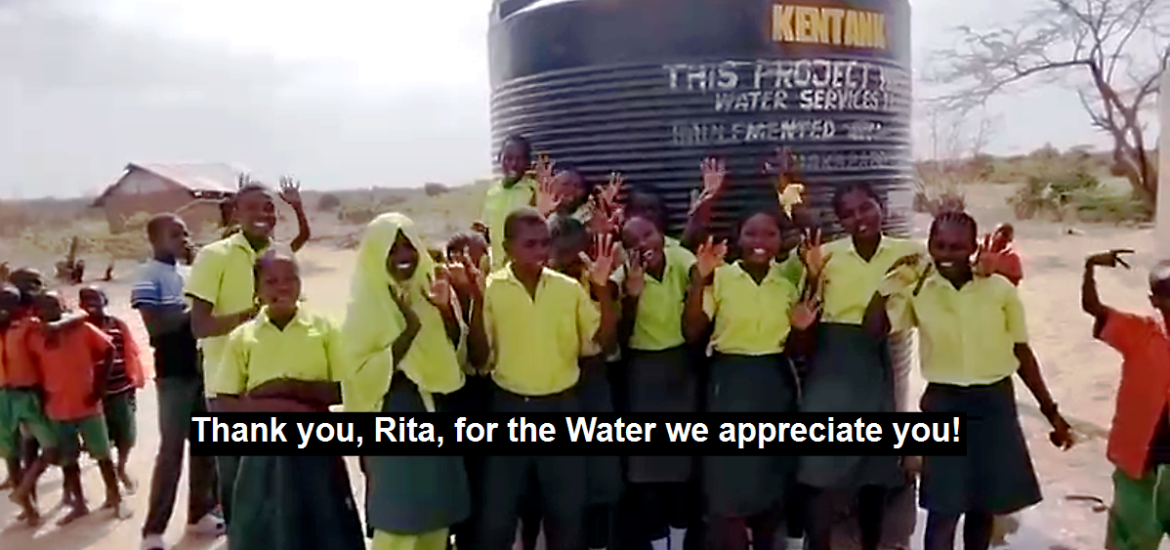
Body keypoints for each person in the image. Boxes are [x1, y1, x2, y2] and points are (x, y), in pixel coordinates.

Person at [866, 211, 1074, 550]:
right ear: (929, 245)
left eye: (957, 247)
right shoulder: (920, 290)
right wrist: (888, 286)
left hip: (994, 405)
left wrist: (1051, 412)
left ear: (973, 247)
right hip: (944, 404)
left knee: (983, 507)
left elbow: (1022, 353)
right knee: (942, 510)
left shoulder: (999, 291)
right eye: (939, 245)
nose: (946, 254)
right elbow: (874, 330)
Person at [467, 208, 619, 550]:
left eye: (545, 243)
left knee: (566, 511)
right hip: (508, 407)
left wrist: (602, 290)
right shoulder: (491, 289)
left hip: (562, 406)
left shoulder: (568, 289)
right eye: (530, 244)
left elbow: (601, 346)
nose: (541, 251)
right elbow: (479, 357)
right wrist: (475, 301)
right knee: (498, 513)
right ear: (507, 248)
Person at [682, 203, 819, 550]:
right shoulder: (722, 276)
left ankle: (765, 539)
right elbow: (692, 330)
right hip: (729, 384)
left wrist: (803, 328)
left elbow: (799, 348)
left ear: (780, 240)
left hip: (775, 382)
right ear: (738, 238)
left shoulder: (786, 282)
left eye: (770, 234)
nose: (761, 241)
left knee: (771, 475)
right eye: (752, 233)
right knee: (727, 478)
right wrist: (700, 279)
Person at [797, 182, 925, 550]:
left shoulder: (910, 254)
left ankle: (871, 542)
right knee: (818, 466)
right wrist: (813, 272)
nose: (859, 218)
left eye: (866, 208)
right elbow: (806, 302)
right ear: (839, 220)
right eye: (849, 214)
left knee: (875, 469)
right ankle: (817, 544)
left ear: (880, 205)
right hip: (831, 362)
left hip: (875, 357)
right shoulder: (826, 255)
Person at [211, 247, 363, 550]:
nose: (282, 287)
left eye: (290, 279)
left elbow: (344, 389)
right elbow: (223, 402)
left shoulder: (323, 328)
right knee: (267, 526)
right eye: (271, 281)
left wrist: (287, 387)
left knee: (324, 523)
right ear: (257, 289)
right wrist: (281, 408)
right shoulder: (243, 338)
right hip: (262, 453)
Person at [342, 212, 472, 550]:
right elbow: (359, 375)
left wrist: (445, 310)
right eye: (392, 248)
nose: (403, 255)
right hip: (390, 415)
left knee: (435, 517)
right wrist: (409, 327)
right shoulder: (365, 305)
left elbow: (456, 356)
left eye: (409, 246)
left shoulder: (430, 288)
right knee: (399, 521)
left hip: (435, 409)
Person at [186, 182, 276, 525]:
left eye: (269, 208)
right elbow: (200, 325)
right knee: (236, 478)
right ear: (236, 213)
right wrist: (250, 316)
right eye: (254, 207)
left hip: (272, 383)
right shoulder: (214, 256)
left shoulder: (277, 256)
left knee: (270, 478)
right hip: (227, 388)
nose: (263, 215)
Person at [133, 214, 223, 550]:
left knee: (207, 448)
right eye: (175, 233)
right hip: (174, 373)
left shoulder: (189, 273)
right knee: (171, 452)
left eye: (185, 232)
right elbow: (155, 325)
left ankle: (199, 515)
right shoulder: (147, 274)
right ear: (154, 239)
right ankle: (153, 531)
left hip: (203, 369)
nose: (183, 238)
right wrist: (196, 315)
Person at [619, 212, 699, 550]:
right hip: (642, 373)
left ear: (661, 233)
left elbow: (701, 282)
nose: (643, 245)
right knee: (646, 469)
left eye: (648, 235)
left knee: (680, 467)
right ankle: (658, 543)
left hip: (680, 369)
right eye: (633, 242)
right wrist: (632, 296)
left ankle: (678, 543)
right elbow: (619, 338)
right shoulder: (623, 273)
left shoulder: (682, 257)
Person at [1081, 249, 1170, 550]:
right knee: (1129, 542)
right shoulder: (1139, 332)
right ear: (1154, 300)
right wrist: (1090, 267)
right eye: (1168, 295)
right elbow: (1092, 307)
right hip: (1138, 466)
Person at [16, 291, 125, 525]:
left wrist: (99, 388)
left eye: (55, 304)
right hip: (57, 408)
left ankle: (115, 498)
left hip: (88, 404)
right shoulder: (35, 337)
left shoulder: (82, 329)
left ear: (63, 306)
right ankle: (79, 504)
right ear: (37, 310)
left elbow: (109, 350)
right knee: (69, 461)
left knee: (103, 456)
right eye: (45, 306)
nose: (50, 310)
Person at [548, 215, 623, 550]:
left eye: (572, 256)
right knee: (557, 484)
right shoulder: (534, 285)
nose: (563, 264)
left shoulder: (595, 281)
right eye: (555, 256)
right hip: (548, 386)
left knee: (599, 480)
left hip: (591, 382)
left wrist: (602, 289)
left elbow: (606, 343)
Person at [79, 285, 147, 494]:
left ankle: (122, 467)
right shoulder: (78, 329)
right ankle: (111, 485)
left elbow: (131, 352)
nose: (91, 303)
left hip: (121, 389)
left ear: (105, 301)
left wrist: (134, 382)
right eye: (86, 299)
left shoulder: (117, 325)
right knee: (101, 441)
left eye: (96, 298)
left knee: (126, 436)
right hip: (93, 395)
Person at [481, 135, 538, 271]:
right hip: (498, 271)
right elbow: (487, 232)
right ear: (499, 159)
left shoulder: (535, 190)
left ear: (528, 162)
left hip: (525, 270)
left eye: (519, 159)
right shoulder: (492, 193)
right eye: (508, 158)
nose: (513, 164)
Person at [220, 175, 312, 252]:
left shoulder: (275, 255)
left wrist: (297, 207)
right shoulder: (224, 253)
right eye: (251, 208)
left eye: (268, 208)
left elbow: (303, 236)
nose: (262, 214)